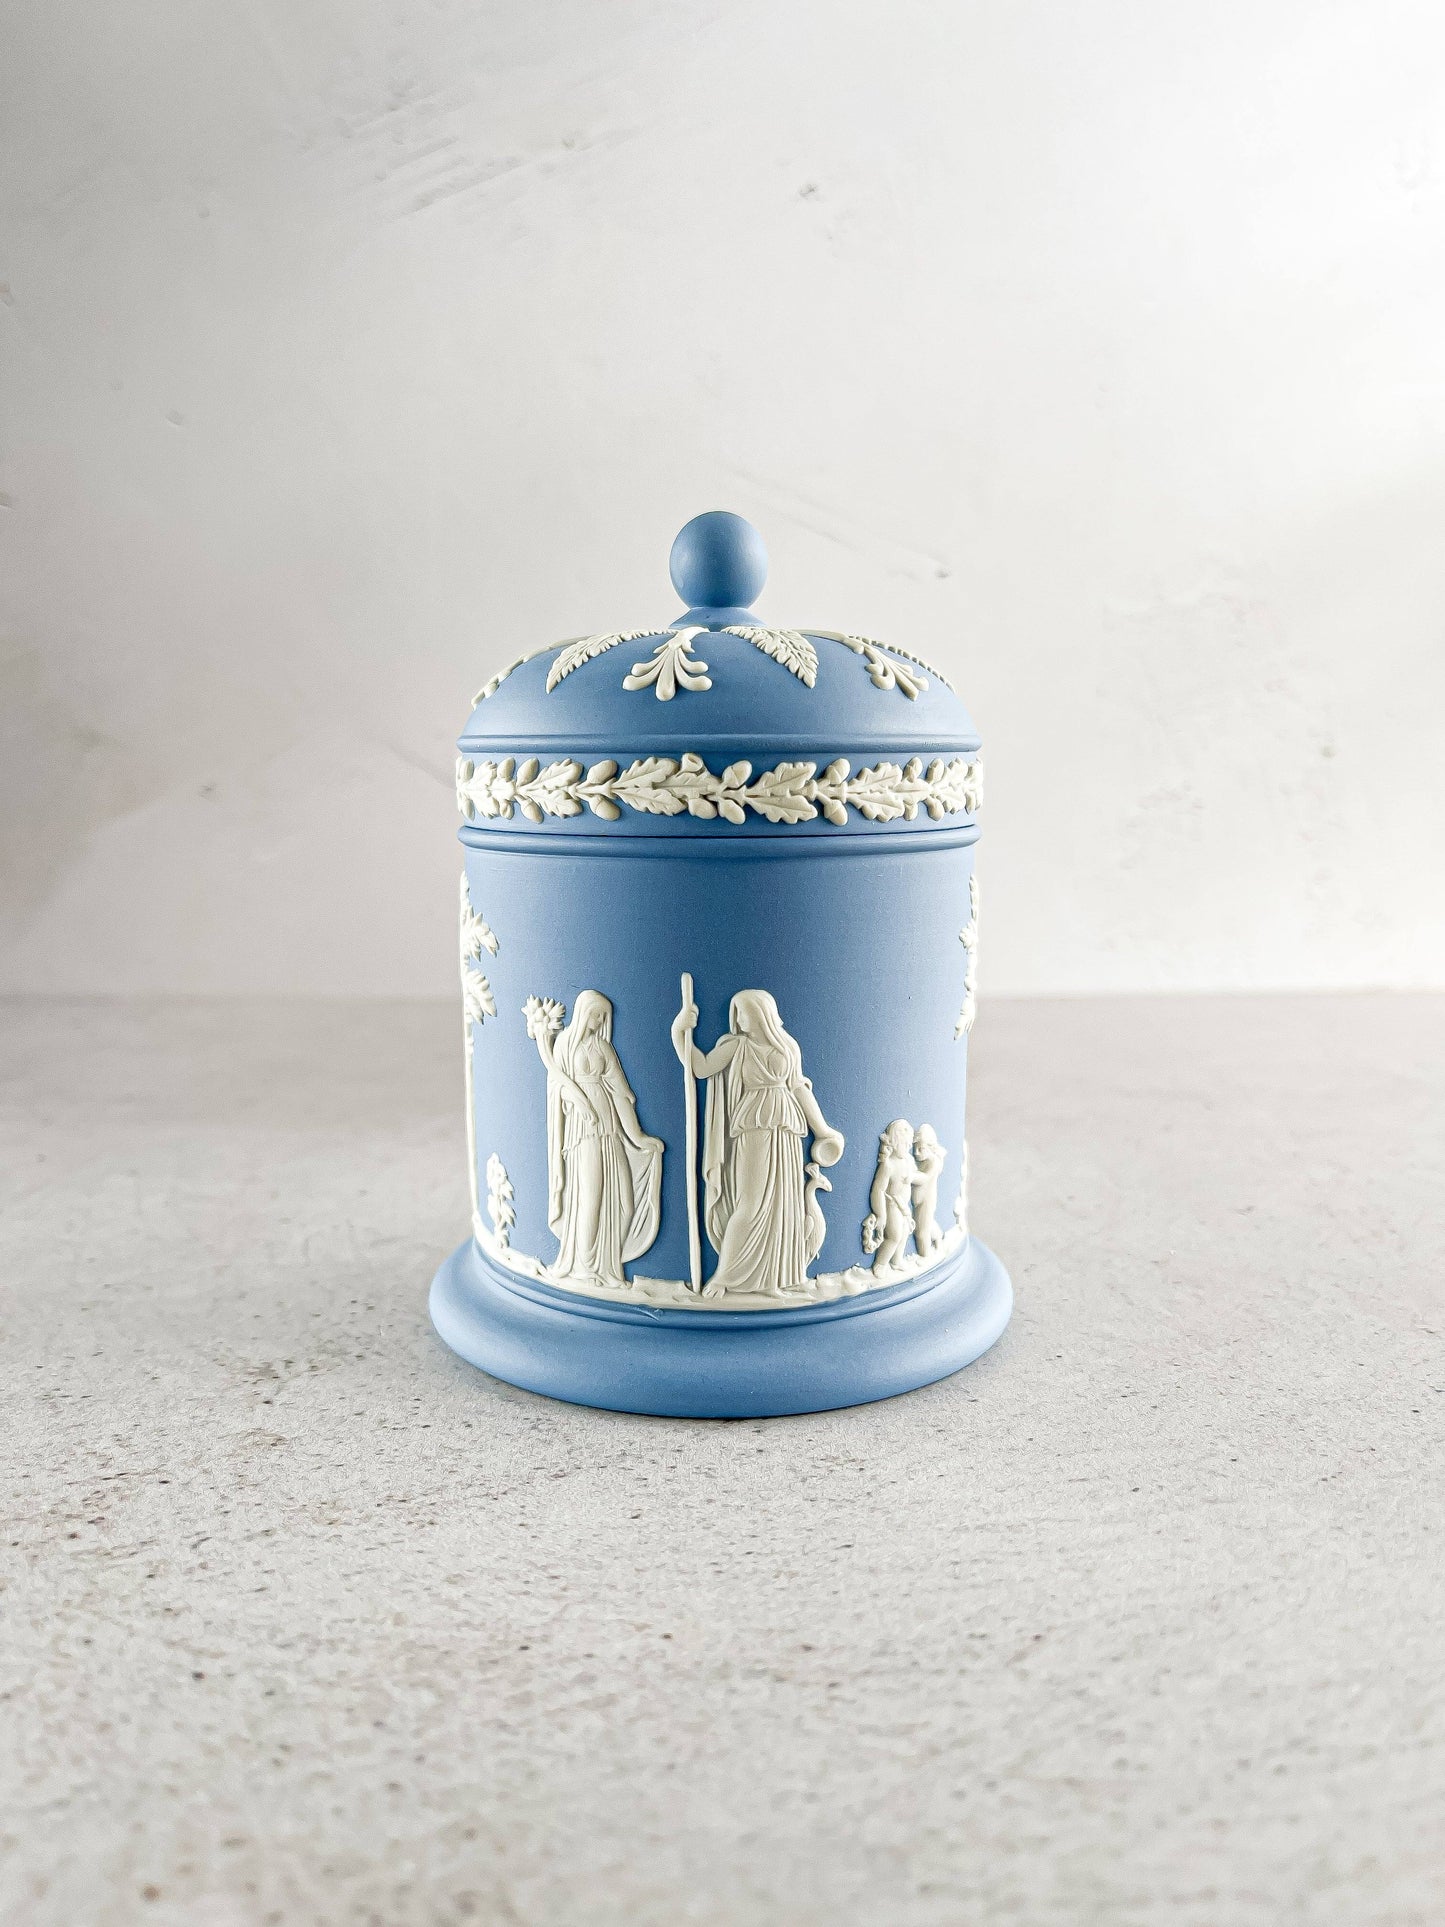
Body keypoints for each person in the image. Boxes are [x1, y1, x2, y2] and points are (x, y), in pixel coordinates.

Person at [672, 988, 843, 1296]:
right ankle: (724, 1276)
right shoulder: (736, 1046)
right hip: (754, 1126)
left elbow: (798, 1088)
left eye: (743, 1012)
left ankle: (775, 1279)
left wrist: (822, 1130)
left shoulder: (787, 1046)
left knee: (783, 1205)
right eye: (735, 1013)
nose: (738, 1020)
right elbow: (701, 1067)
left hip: (786, 1129)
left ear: (761, 1013)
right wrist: (678, 1031)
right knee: (751, 1205)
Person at [538, 991, 662, 1288]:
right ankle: (584, 1269)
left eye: (602, 1017)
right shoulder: (565, 1044)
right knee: (590, 1199)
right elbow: (558, 1086)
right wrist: (579, 1101)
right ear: (584, 1012)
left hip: (609, 1129)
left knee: (625, 1203)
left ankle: (608, 1268)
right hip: (584, 1131)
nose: (599, 1021)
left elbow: (621, 1095)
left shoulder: (603, 1048)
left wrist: (637, 1136)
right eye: (595, 1014)